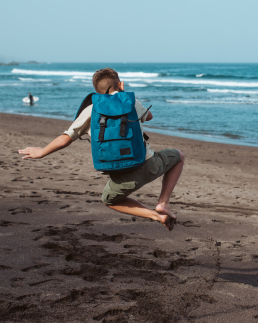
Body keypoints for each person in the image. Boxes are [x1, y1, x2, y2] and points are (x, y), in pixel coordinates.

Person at [18, 68, 184, 230]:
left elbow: (65, 139)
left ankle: (155, 216)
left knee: (109, 200)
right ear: (120, 84)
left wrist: (41, 152)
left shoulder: (91, 110)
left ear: (96, 92)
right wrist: (122, 96)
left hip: (122, 177)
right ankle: (163, 202)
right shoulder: (131, 102)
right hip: (149, 165)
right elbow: (149, 117)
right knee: (179, 156)